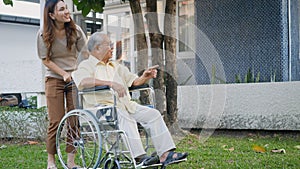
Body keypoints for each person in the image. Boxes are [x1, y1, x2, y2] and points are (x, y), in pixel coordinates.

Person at [72, 32, 188, 166]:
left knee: (153, 114)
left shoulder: (115, 66)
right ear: (97, 48)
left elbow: (133, 81)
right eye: (109, 45)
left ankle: (166, 154)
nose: (112, 47)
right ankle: (139, 157)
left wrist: (145, 76)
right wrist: (110, 83)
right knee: (124, 115)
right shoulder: (86, 65)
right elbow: (83, 82)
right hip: (100, 109)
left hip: (124, 105)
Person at [36, 0, 88, 168]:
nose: (67, 12)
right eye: (62, 9)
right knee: (56, 121)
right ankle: (51, 160)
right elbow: (46, 60)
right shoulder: (43, 33)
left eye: (66, 8)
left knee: (74, 120)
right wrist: (64, 73)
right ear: (52, 15)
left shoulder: (75, 31)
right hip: (54, 79)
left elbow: (86, 53)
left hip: (74, 80)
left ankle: (71, 163)